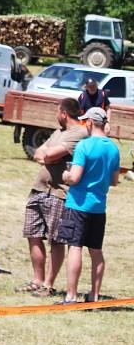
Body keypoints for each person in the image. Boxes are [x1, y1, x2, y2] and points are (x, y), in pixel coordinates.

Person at [18, 98, 88, 297]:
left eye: (57, 112)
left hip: (58, 194)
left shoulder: (80, 133)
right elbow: (39, 154)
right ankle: (37, 281)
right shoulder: (59, 132)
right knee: (32, 235)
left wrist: (48, 155)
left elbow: (48, 156)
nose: (56, 116)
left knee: (56, 241)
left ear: (64, 113)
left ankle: (48, 285)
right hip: (38, 190)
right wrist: (48, 155)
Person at [57, 107, 120, 303]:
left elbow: (74, 177)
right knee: (96, 251)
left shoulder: (84, 146)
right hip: (99, 207)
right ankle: (94, 295)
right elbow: (114, 180)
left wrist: (66, 176)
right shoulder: (113, 148)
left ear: (91, 123)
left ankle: (71, 295)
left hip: (78, 205)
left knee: (74, 247)